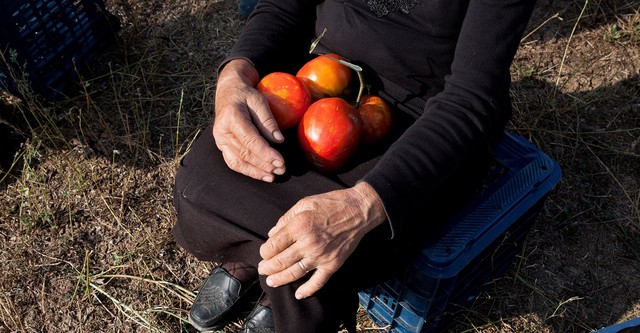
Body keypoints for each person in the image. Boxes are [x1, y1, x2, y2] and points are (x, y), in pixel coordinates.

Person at [172, 0, 537, 331]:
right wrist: (235, 73)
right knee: (199, 185)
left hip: (422, 121)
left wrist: (365, 205)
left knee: (316, 267)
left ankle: (270, 285)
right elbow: (284, 7)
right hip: (319, 76)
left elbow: (470, 99)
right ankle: (256, 262)